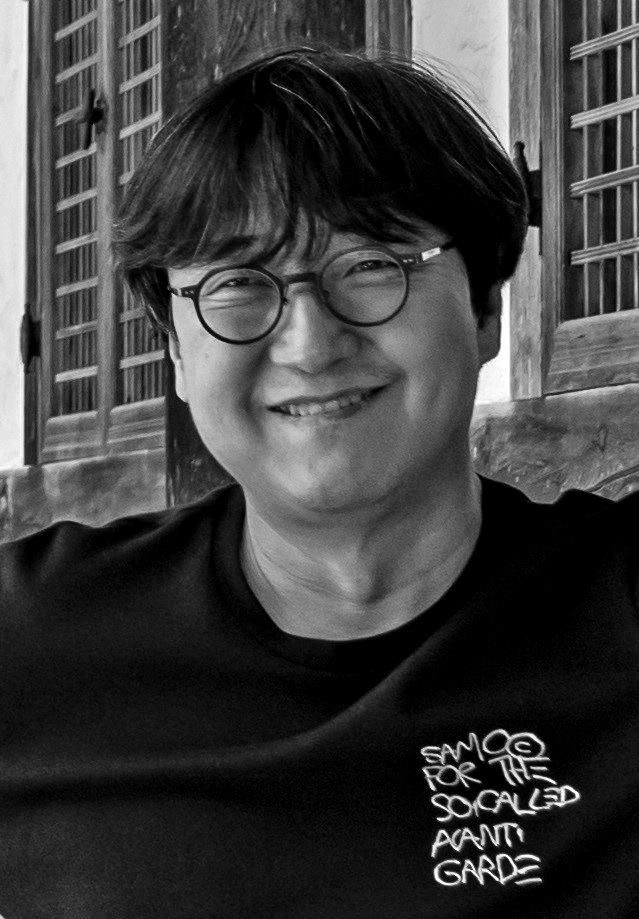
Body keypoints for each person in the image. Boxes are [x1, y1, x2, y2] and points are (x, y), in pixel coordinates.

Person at [1, 46, 638, 919]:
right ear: (176, 349)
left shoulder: (618, 609)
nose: (308, 344)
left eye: (372, 264)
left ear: (486, 306)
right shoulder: (29, 636)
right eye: (237, 282)